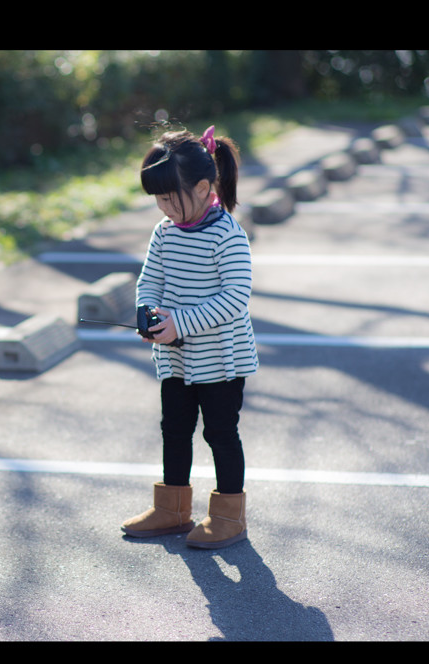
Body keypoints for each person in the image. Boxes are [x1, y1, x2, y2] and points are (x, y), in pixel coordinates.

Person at [120, 125, 258, 549]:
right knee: (174, 429)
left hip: (221, 359)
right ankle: (173, 509)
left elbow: (236, 297)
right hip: (177, 359)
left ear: (202, 188)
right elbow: (149, 281)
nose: (163, 207)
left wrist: (181, 323)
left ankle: (229, 515)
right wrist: (150, 313)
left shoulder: (227, 235)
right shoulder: (164, 233)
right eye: (158, 200)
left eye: (169, 197)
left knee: (220, 433)